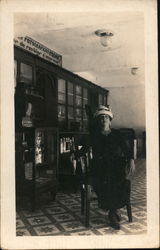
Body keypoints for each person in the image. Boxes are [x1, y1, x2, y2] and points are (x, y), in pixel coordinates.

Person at [91, 105, 135, 230]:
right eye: (101, 118)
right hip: (100, 167)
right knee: (104, 181)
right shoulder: (95, 135)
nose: (104, 119)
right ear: (99, 121)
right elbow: (84, 148)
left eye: (106, 117)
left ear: (110, 120)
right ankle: (113, 213)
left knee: (118, 180)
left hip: (116, 167)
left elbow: (127, 150)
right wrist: (74, 154)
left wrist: (131, 160)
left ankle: (113, 212)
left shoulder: (117, 134)